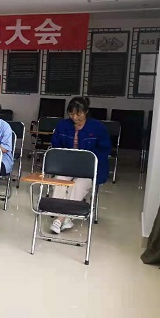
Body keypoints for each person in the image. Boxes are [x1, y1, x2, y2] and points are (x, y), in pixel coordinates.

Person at [48, 96, 111, 234]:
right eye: (71, 114)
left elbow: (105, 150)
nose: (75, 117)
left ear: (86, 111)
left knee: (79, 185)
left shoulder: (97, 127)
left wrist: (88, 161)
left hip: (89, 169)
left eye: (78, 114)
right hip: (67, 166)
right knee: (59, 181)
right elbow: (56, 145)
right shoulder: (63, 125)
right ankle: (66, 219)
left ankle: (60, 219)